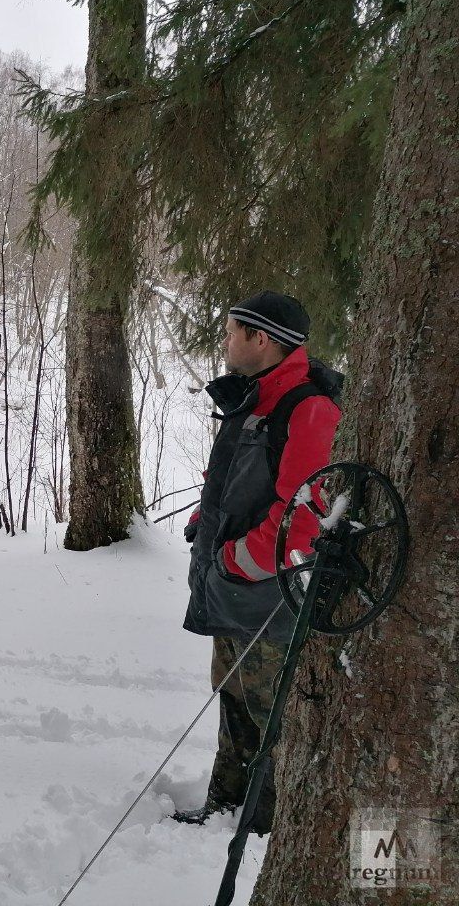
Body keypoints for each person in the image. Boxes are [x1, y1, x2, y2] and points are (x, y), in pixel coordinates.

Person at [174, 291, 342, 834]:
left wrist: (236, 560)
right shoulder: (255, 397)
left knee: (274, 715)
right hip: (230, 583)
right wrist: (208, 520)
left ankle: (269, 822)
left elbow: (302, 517)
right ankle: (226, 803)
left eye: (232, 332)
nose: (225, 341)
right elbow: (234, 479)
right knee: (232, 697)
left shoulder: (308, 408)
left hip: (268, 595)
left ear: (261, 339)